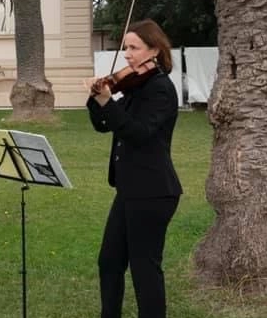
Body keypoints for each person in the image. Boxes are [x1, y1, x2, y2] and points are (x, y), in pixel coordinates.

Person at [84, 19, 183, 318]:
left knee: (144, 268)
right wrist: (96, 99)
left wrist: (107, 102)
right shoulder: (134, 87)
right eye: (125, 47)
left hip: (153, 191)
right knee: (110, 261)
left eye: (133, 47)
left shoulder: (160, 89)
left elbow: (138, 133)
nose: (126, 54)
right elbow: (104, 125)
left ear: (154, 50)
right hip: (129, 189)